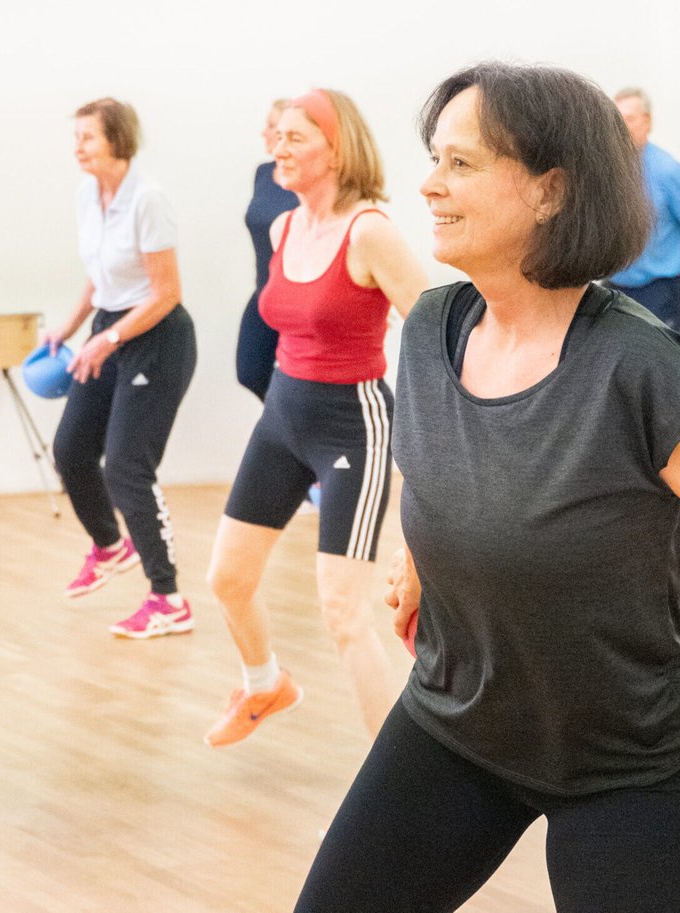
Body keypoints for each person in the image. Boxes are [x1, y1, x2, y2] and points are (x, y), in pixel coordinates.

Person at [294, 62, 680, 913]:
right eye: (433, 159)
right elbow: (438, 470)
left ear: (550, 190)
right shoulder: (432, 327)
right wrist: (420, 558)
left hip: (636, 763)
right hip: (459, 724)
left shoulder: (639, 366)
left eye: (461, 164)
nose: (429, 186)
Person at [203, 88, 426, 747]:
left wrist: (438, 434)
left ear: (337, 149)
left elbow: (434, 330)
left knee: (344, 613)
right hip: (281, 417)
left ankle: (393, 797)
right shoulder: (284, 227)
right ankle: (264, 681)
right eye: (276, 136)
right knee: (228, 578)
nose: (278, 147)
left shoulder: (371, 231)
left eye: (295, 137)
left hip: (350, 424)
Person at [44, 98, 198, 638]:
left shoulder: (148, 200)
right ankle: (110, 546)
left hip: (157, 337)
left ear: (117, 140)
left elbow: (165, 293)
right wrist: (70, 326)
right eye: (77, 136)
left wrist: (106, 339)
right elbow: (99, 274)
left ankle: (168, 598)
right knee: (70, 449)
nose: (78, 147)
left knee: (128, 467)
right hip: (109, 329)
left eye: (88, 137)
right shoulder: (89, 193)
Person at [607, 87, 680, 333]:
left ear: (647, 122)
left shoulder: (667, 171)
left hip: (658, 290)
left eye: (629, 119)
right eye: (616, 120)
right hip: (616, 286)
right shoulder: (610, 169)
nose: (622, 127)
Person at [235, 99, 299, 401]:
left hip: (299, 299)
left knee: (298, 374)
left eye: (273, 127)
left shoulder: (306, 181)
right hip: (264, 290)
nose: (265, 133)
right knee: (249, 371)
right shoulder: (262, 173)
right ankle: (286, 425)